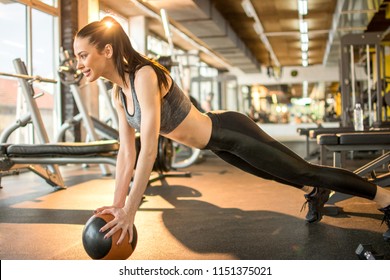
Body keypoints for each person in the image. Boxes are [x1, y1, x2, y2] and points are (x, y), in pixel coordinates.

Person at [73, 16, 390, 245]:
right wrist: (117, 204)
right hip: (216, 144)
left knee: (304, 170)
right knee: (270, 172)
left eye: (83, 55)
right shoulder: (119, 95)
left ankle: (384, 198)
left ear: (108, 51)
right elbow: (127, 153)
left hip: (230, 129)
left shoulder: (143, 75)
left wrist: (130, 210)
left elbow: (149, 149)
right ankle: (312, 191)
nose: (79, 65)